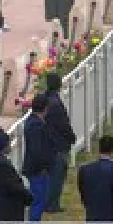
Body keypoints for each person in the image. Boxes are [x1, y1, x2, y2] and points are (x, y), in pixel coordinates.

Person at [22, 93, 56, 224]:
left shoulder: (35, 122)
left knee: (39, 203)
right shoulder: (35, 125)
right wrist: (42, 167)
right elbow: (37, 150)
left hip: (38, 169)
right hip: (38, 170)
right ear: (45, 108)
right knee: (37, 203)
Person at [43, 73, 77, 214]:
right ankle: (52, 204)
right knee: (57, 176)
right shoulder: (55, 104)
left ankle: (52, 202)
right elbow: (63, 125)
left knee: (54, 176)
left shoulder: (47, 99)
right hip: (58, 144)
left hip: (51, 144)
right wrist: (71, 137)